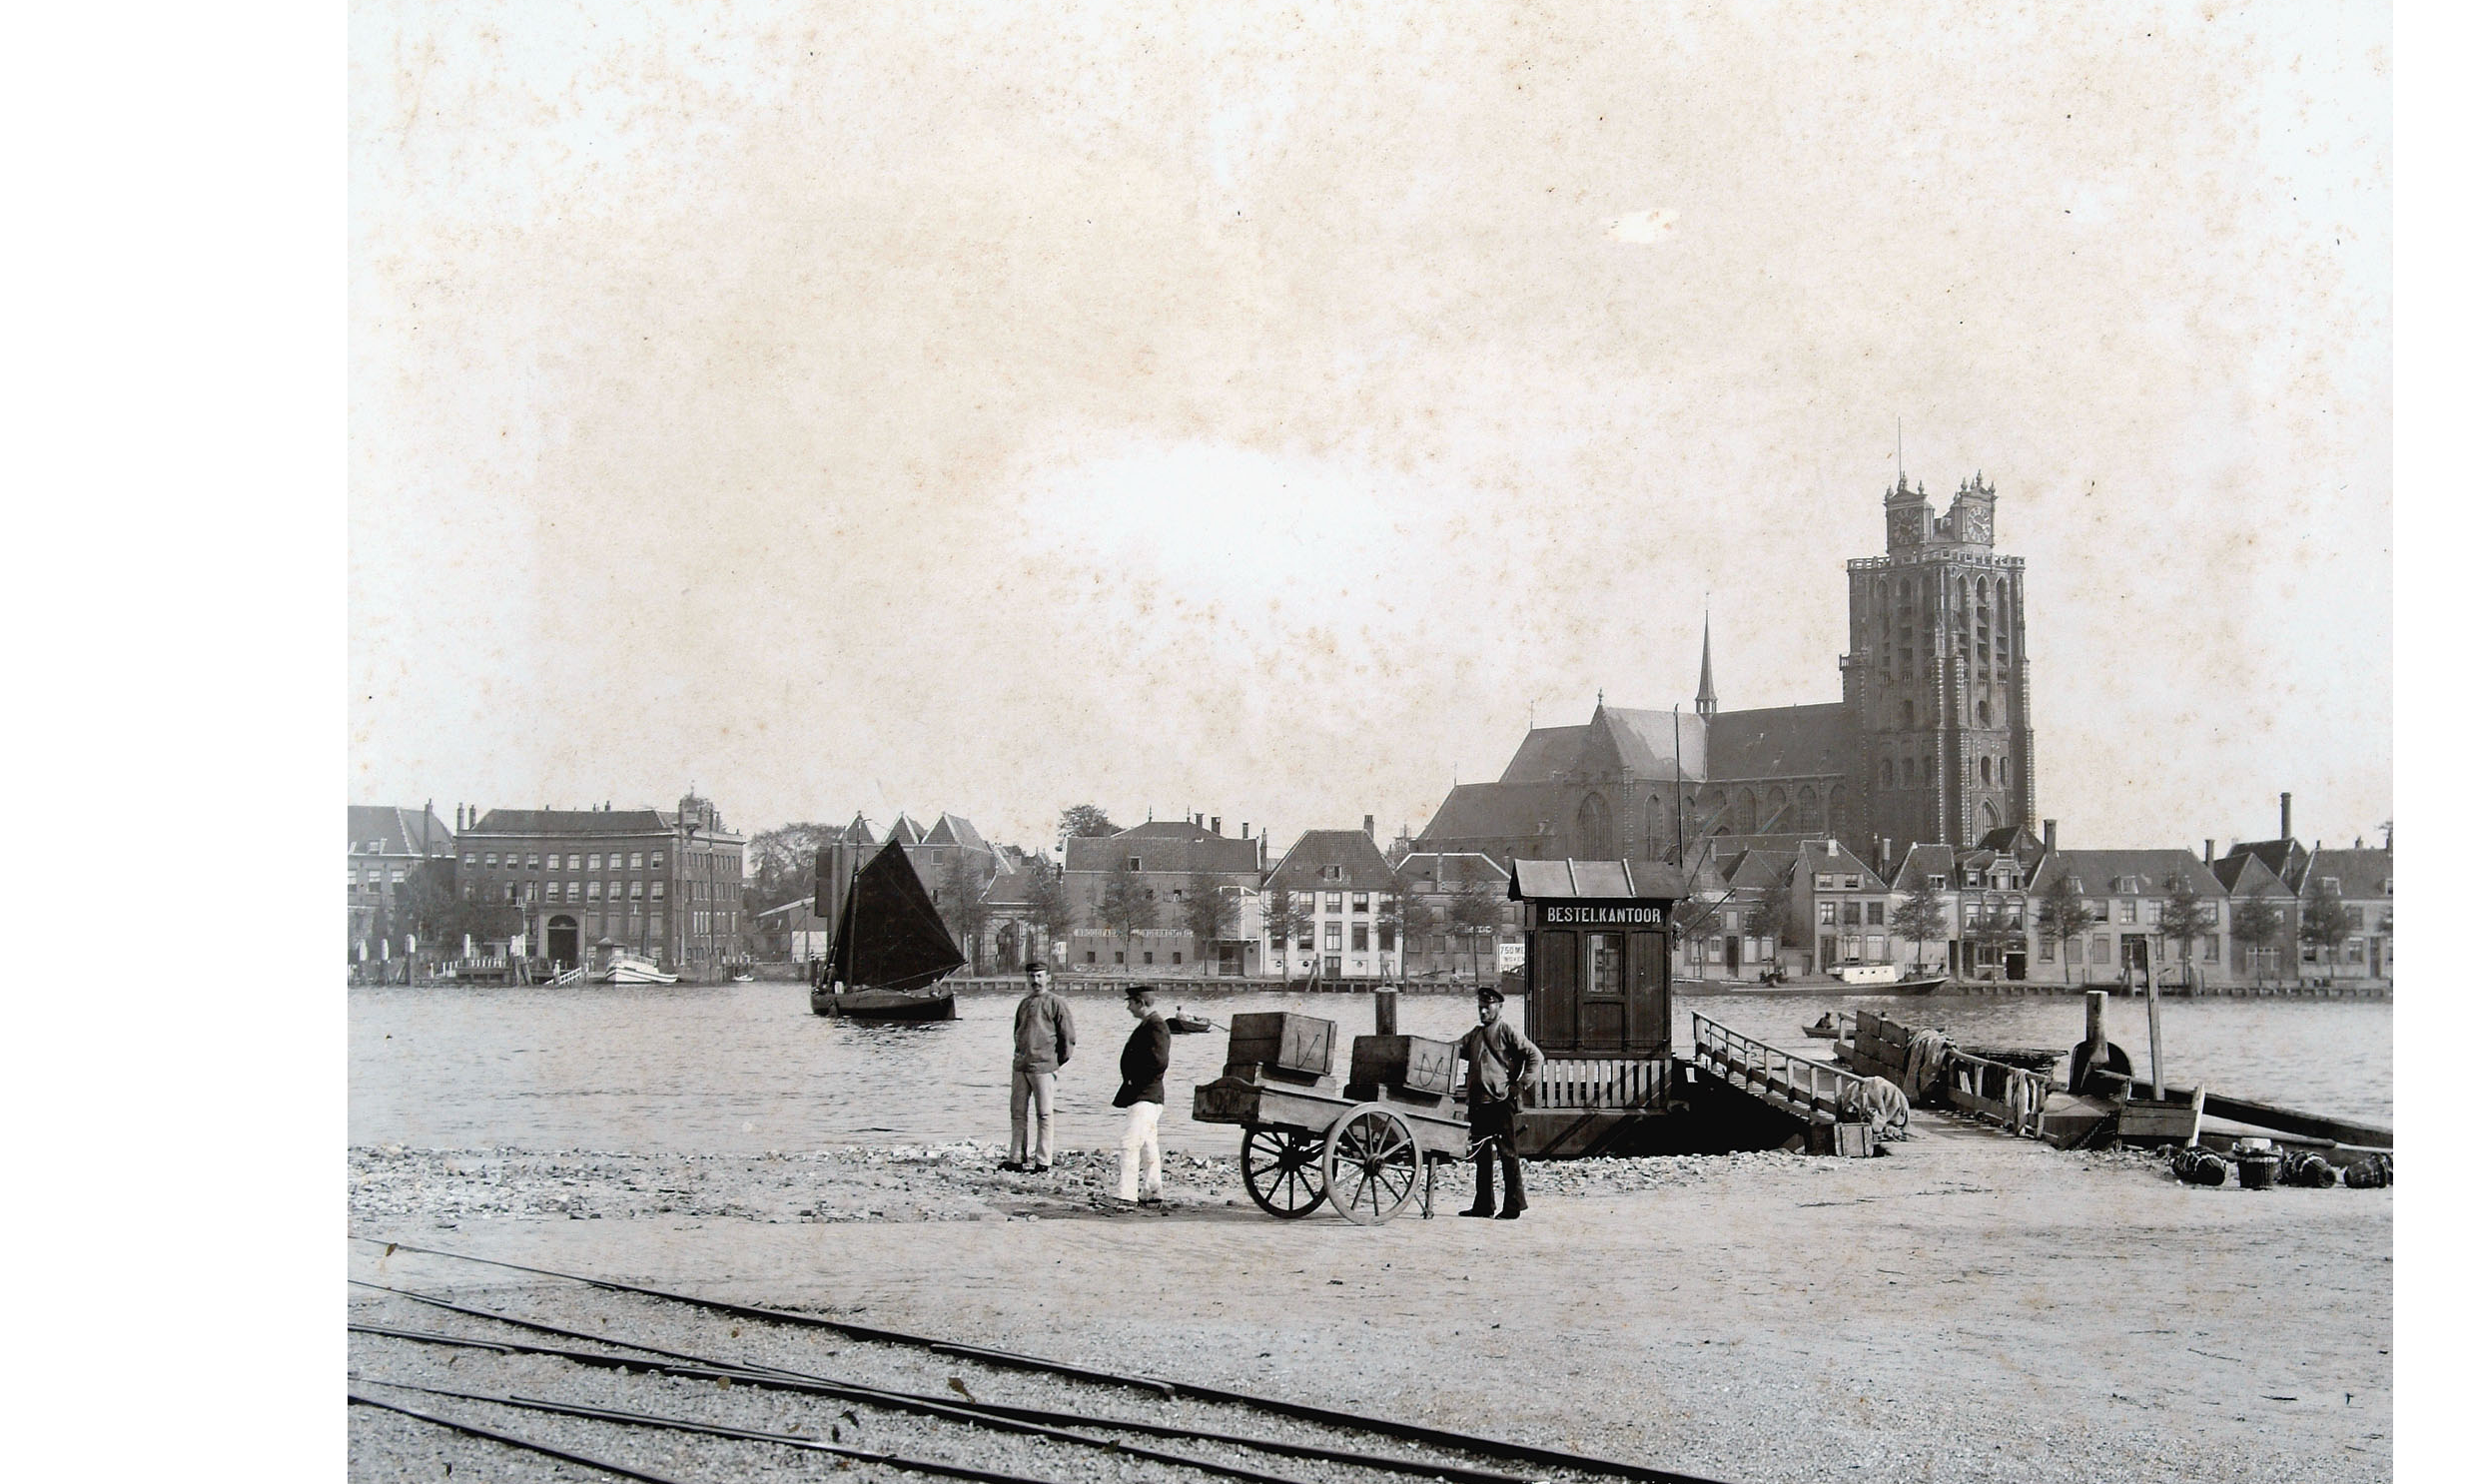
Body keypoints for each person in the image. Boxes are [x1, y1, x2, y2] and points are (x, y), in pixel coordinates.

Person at [1456, 984, 1542, 1219]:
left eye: (1487, 1007)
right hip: (1478, 1103)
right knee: (1481, 1157)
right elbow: (1453, 1050)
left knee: (1508, 1155)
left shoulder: (1506, 1030)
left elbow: (1535, 1055)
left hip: (1500, 1102)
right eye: (1480, 1008)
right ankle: (1483, 1206)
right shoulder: (1474, 1035)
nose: (1483, 1012)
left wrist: (1521, 1084)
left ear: (1499, 1007)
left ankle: (1513, 1207)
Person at [1005, 962, 1075, 1172]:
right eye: (1032, 977)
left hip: (1044, 1067)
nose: (1035, 981)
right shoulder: (1024, 1004)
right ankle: (1016, 1158)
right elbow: (1017, 1032)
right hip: (1021, 1066)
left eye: (1039, 976)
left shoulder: (1056, 1003)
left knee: (1044, 1114)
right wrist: (1019, 1055)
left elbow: (1068, 1037)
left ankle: (1043, 1161)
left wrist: (1054, 1062)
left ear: (1048, 978)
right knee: (1017, 1113)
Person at [1112, 985, 1171, 1205]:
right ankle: (1153, 1191)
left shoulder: (1156, 1026)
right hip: (1146, 1094)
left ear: (1141, 1003)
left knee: (1129, 1143)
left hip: (1146, 1094)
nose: (1128, 1007)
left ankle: (1125, 1195)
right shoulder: (1150, 1025)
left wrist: (1137, 1078)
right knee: (1147, 1143)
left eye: (1130, 1002)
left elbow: (1159, 1061)